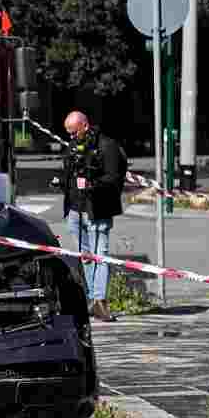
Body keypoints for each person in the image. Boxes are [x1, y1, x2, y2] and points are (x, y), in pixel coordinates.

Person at [60, 111, 124, 322]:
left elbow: (114, 179)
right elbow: (68, 173)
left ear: (85, 125)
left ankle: (100, 301)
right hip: (75, 211)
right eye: (68, 134)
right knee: (86, 258)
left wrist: (92, 186)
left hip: (97, 210)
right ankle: (92, 300)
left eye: (74, 132)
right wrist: (60, 182)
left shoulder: (107, 146)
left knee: (100, 255)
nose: (71, 137)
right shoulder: (73, 146)